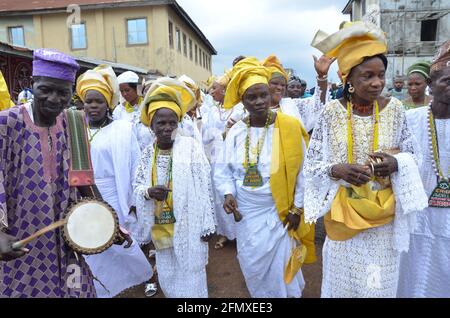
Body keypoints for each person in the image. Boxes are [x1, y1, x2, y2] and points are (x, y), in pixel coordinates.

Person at [305, 21, 428, 298]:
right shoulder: (332, 113)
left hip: (383, 220)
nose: (377, 83)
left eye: (381, 75)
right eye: (367, 76)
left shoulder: (395, 109)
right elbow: (311, 166)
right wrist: (337, 169)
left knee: (378, 286)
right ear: (348, 79)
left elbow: (414, 156)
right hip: (343, 219)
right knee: (343, 285)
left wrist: (396, 164)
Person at [0, 49, 98, 297]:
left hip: (66, 235)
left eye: (62, 92)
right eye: (46, 89)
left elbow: (84, 178)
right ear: (33, 84)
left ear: (71, 93)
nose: (54, 99)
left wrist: (107, 217)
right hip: (19, 238)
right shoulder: (6, 123)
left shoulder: (75, 122)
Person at [214, 57, 315, 298]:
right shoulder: (237, 130)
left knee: (282, 267)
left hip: (279, 211)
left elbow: (304, 170)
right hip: (247, 213)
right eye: (252, 97)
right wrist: (227, 193)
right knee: (252, 264)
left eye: (264, 95)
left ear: (271, 95)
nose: (259, 102)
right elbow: (223, 170)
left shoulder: (289, 126)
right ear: (243, 101)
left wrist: (297, 208)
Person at [132, 77, 216, 298]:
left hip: (190, 224)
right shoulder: (147, 154)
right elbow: (137, 187)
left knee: (192, 278)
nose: (167, 128)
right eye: (161, 123)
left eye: (172, 123)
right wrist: (148, 192)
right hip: (161, 227)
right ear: (151, 125)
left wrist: (207, 224)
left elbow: (205, 185)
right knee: (168, 278)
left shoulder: (190, 148)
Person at [75, 65, 153, 298]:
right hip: (84, 197)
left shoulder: (123, 129)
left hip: (116, 195)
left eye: (98, 101)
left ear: (109, 102)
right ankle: (101, 291)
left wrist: (134, 201)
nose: (93, 106)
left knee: (121, 243)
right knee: (92, 249)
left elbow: (135, 166)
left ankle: (144, 278)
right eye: (88, 101)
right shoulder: (76, 130)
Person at [398, 40, 450, 298]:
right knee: (409, 273)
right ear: (431, 86)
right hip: (414, 216)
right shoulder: (409, 120)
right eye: (447, 81)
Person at [202, 74, 245, 250]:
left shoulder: (240, 108)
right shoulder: (212, 110)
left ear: (226, 90)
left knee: (238, 191)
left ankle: (241, 232)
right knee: (220, 194)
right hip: (216, 157)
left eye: (215, 88)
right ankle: (225, 233)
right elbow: (205, 134)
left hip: (236, 157)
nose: (211, 92)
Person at [262, 54, 334, 133]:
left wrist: (322, 76)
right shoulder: (252, 108)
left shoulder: (293, 105)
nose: (280, 88)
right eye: (275, 83)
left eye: (283, 85)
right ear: (264, 84)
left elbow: (318, 105)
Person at [113, 71, 153, 151]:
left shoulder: (147, 106)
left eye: (127, 90)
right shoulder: (119, 110)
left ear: (136, 89)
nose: (124, 94)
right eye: (122, 91)